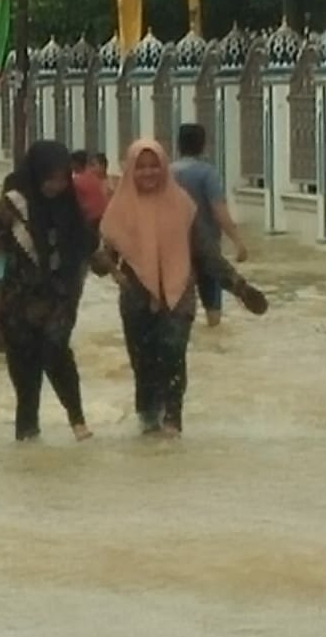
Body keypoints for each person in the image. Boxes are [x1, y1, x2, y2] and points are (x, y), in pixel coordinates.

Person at [95, 139, 269, 439]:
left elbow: (207, 254)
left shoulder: (183, 207)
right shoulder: (118, 210)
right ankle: (148, 424)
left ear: (164, 168)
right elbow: (103, 264)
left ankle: (173, 422)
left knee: (173, 353)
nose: (148, 173)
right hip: (136, 299)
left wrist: (239, 287)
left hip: (179, 296)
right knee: (144, 365)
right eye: (141, 167)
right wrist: (97, 257)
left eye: (154, 166)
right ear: (130, 171)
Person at [0, 142, 94, 442]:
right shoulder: (13, 205)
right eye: (50, 178)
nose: (56, 185)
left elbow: (89, 248)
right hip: (18, 299)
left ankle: (78, 421)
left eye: (62, 178)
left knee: (56, 349)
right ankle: (27, 436)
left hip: (59, 296)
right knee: (24, 369)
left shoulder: (73, 203)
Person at [172, 123, 251, 327]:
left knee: (178, 305)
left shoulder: (167, 173)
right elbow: (219, 210)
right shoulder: (207, 173)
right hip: (207, 249)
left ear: (178, 145)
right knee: (213, 309)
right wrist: (238, 242)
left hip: (175, 249)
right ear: (203, 145)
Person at [70, 149, 110, 228]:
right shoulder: (95, 177)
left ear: (76, 163)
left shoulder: (77, 181)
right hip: (102, 216)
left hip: (90, 219)